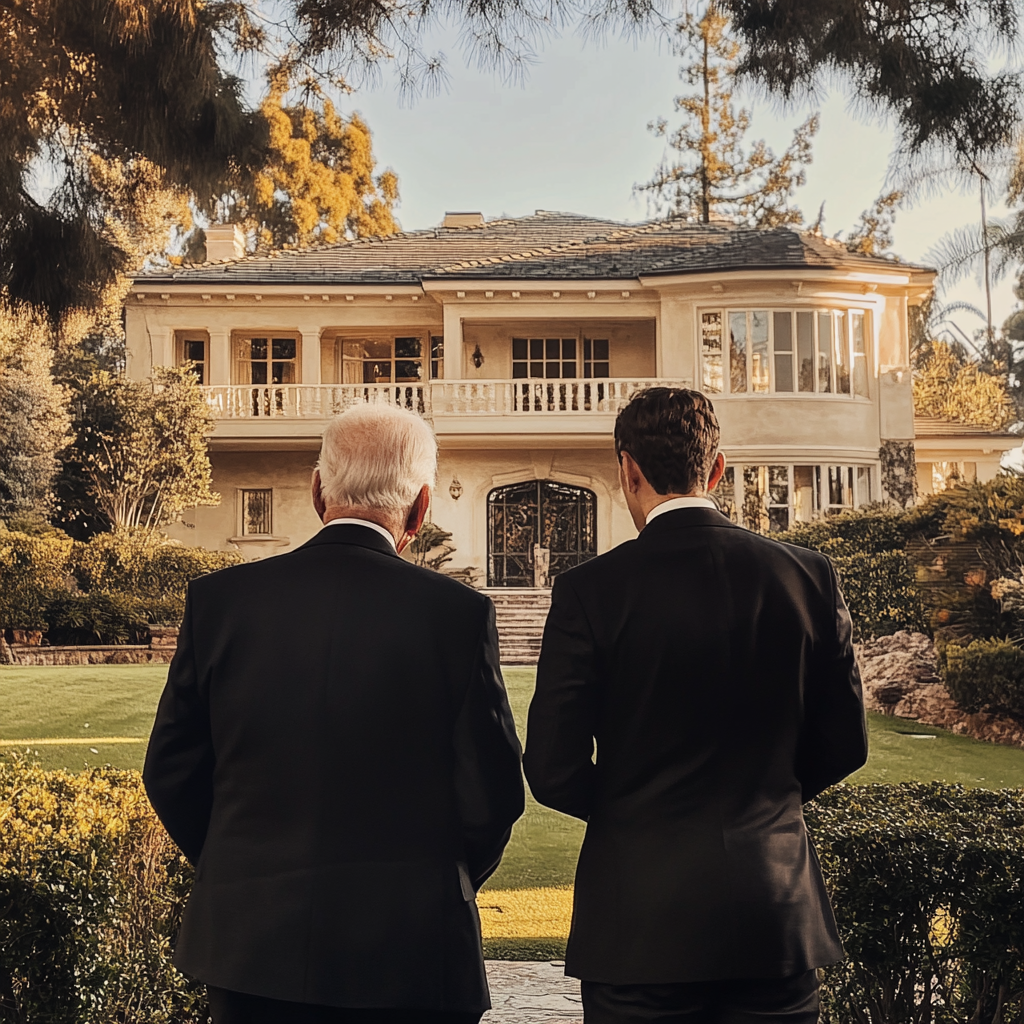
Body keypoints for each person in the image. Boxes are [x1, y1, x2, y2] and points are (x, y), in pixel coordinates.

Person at [144, 404, 525, 1024]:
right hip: (411, 951)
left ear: (318, 489)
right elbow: (493, 793)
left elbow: (171, 772)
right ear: (422, 508)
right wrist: (433, 881)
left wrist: (242, 870)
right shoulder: (456, 616)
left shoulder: (222, 603)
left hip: (250, 948)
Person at [523, 387, 867, 1024]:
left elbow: (550, 767)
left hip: (638, 924)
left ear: (628, 469)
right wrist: (765, 794)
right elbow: (846, 743)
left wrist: (633, 808)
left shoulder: (589, 592)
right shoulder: (807, 577)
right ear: (717, 469)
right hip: (774, 916)